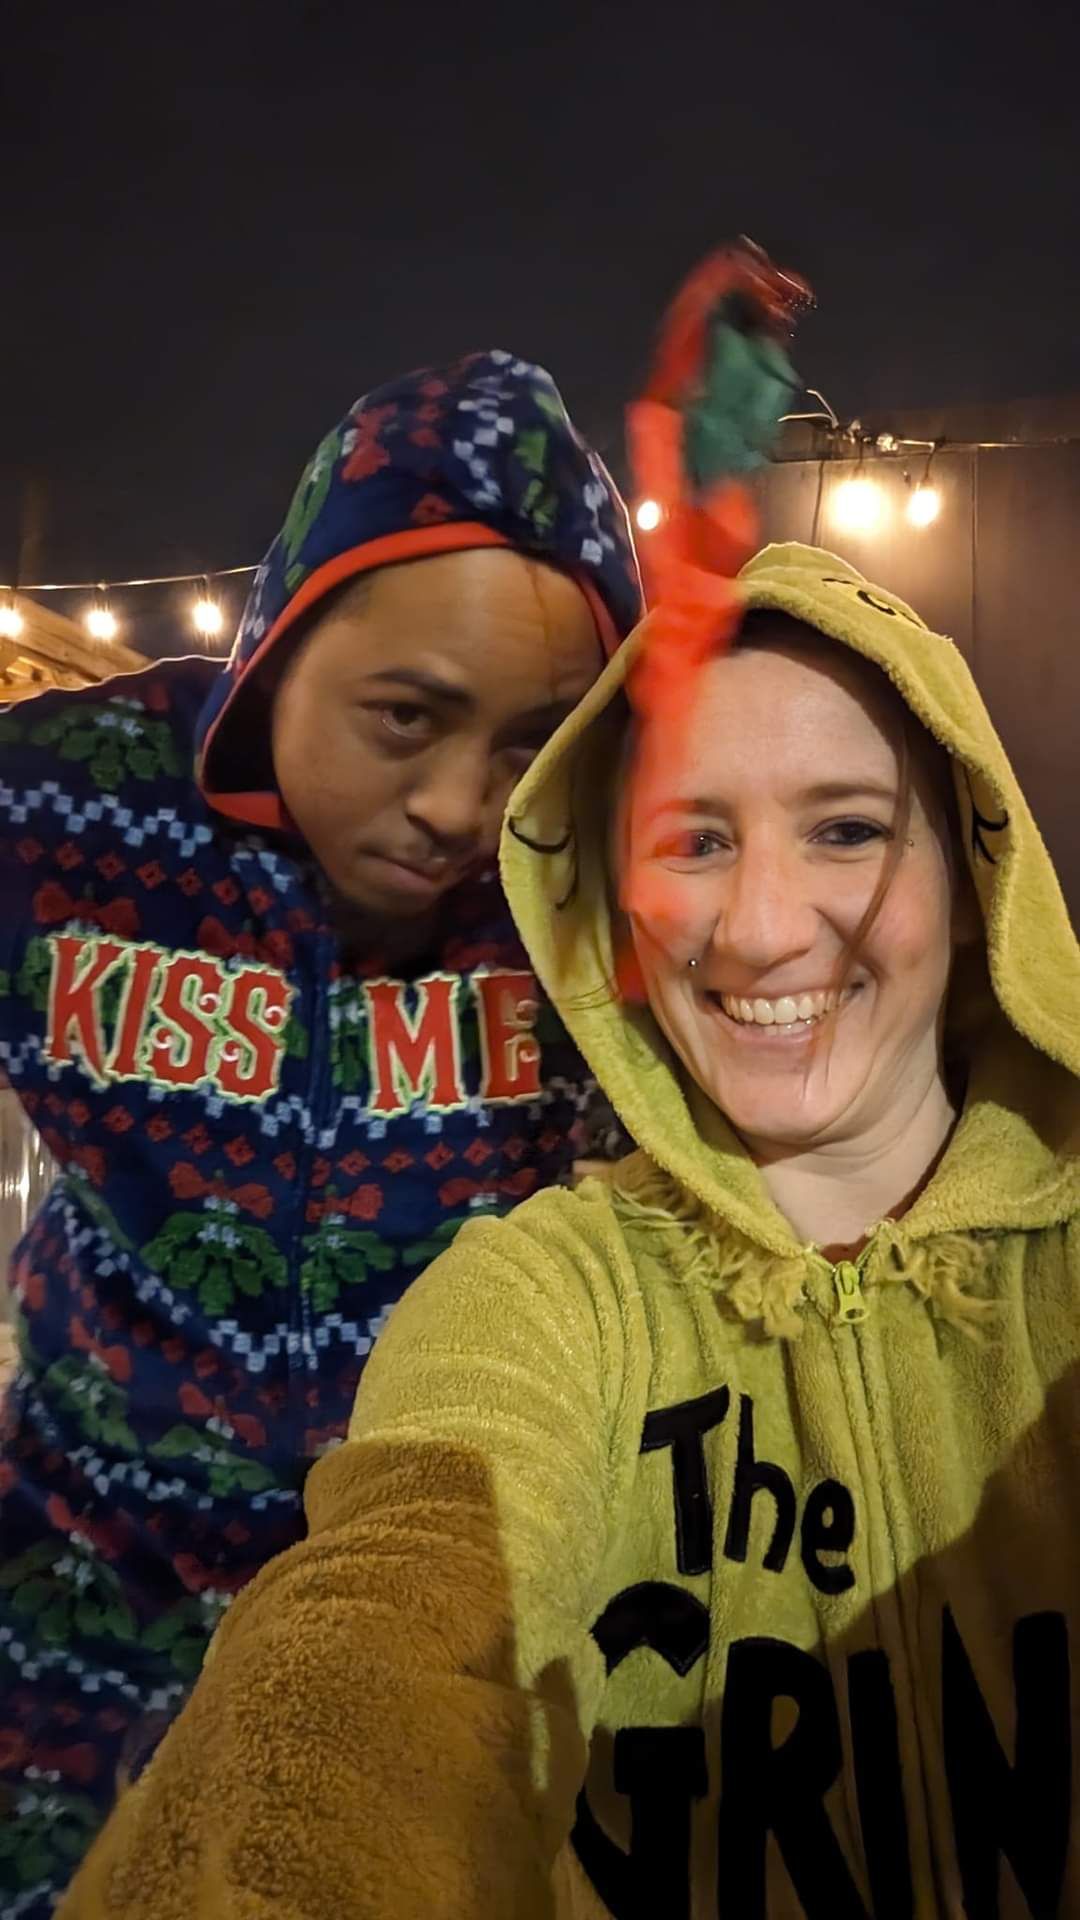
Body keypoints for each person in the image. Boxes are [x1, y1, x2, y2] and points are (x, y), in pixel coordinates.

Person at [57, 541, 1080, 1919]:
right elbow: (385, 1639)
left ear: (972, 873)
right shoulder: (539, 1299)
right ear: (614, 901)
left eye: (846, 828)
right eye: (696, 839)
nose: (764, 928)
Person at [0, 350, 641, 1914]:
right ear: (277, 651)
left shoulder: (590, 889)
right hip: (73, 1577)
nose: (457, 805)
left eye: (528, 743)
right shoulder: (63, 808)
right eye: (405, 716)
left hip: (429, 1593)